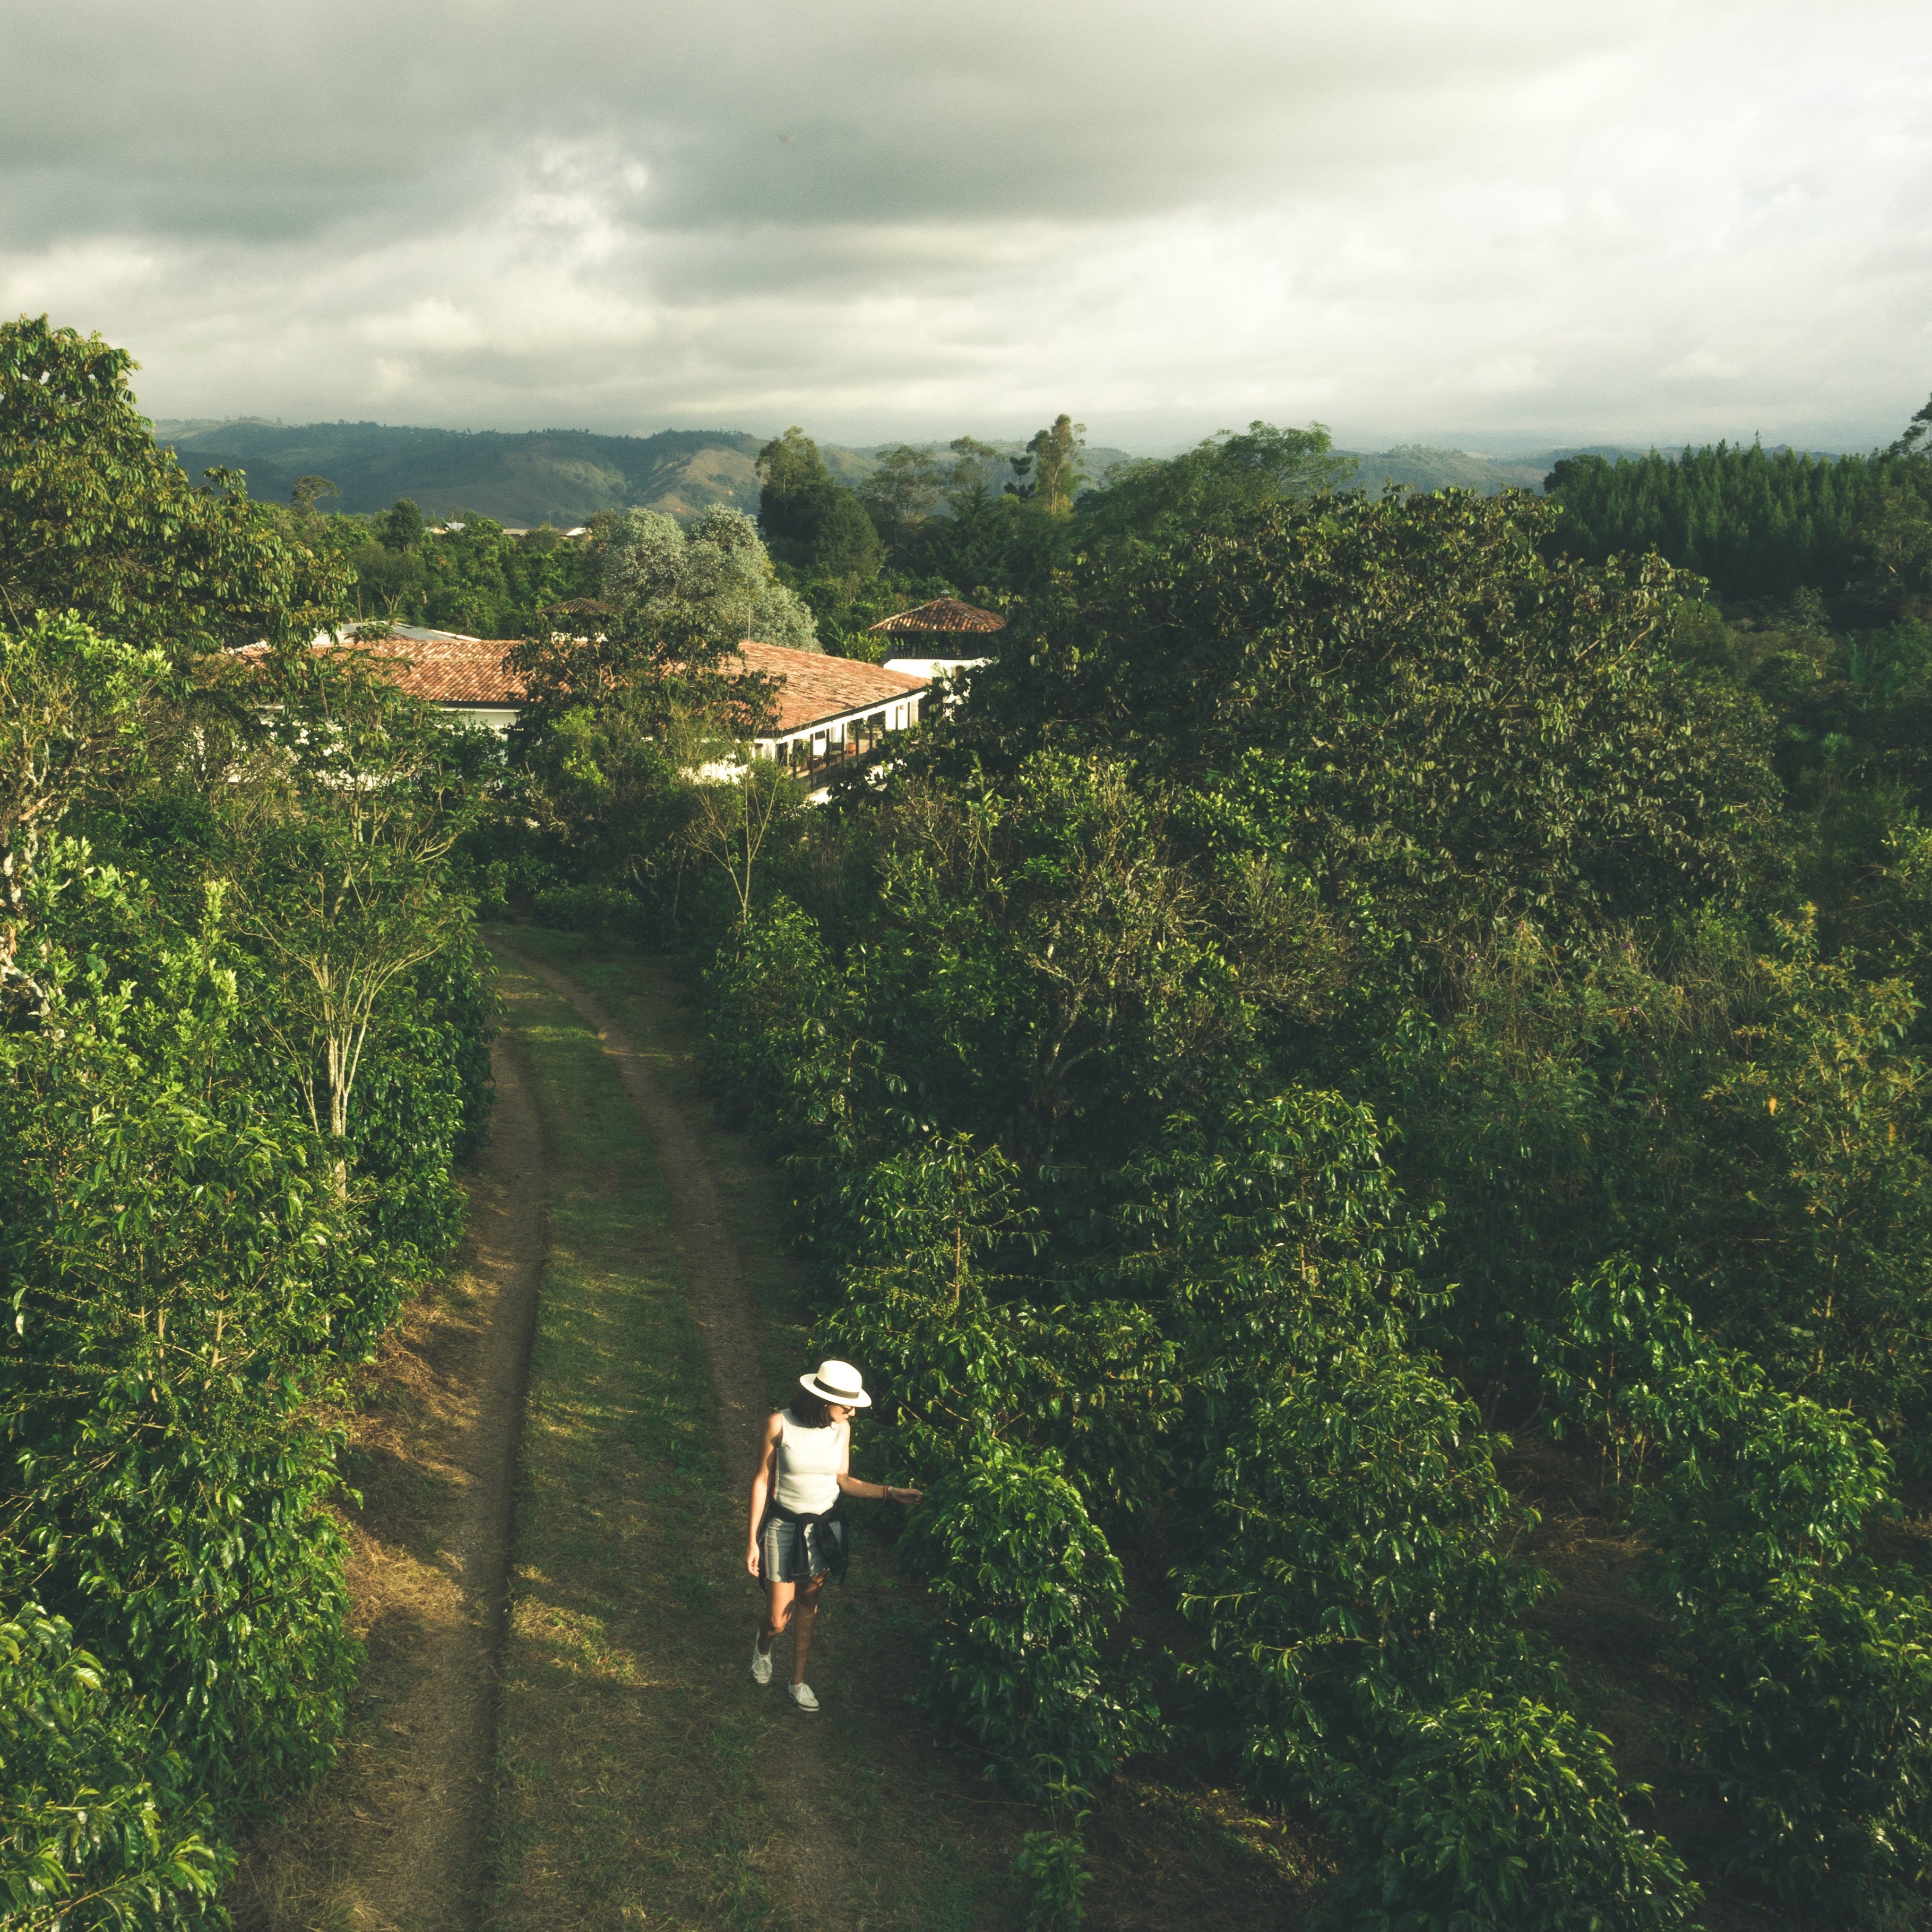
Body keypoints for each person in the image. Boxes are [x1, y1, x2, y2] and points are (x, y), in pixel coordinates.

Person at [746, 1358, 921, 1713]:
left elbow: (844, 1479)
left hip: (825, 1530)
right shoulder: (779, 1425)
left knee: (809, 1604)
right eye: (848, 1406)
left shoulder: (841, 1430)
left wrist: (890, 1493)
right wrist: (752, 1540)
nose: (853, 1414)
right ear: (823, 1401)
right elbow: (762, 1481)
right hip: (783, 1528)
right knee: (778, 1618)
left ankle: (798, 1681)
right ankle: (763, 1647)